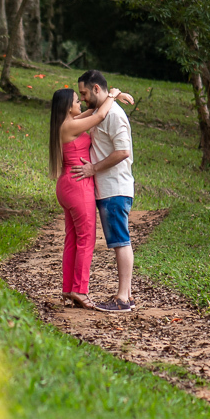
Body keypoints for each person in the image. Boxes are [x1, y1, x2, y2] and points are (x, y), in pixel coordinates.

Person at [48, 85, 130, 310]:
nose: (80, 103)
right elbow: (101, 114)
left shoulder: (65, 124)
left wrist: (115, 97)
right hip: (78, 185)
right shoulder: (71, 125)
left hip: (66, 185)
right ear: (67, 106)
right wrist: (113, 94)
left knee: (73, 239)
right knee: (86, 240)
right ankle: (80, 290)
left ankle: (69, 288)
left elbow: (94, 111)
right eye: (76, 101)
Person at [72, 70, 136, 313]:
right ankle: (126, 296)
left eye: (85, 93)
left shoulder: (115, 116)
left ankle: (122, 298)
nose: (84, 98)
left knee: (121, 241)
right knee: (119, 240)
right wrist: (115, 94)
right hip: (108, 188)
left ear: (96, 89)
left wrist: (93, 169)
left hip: (115, 188)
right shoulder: (102, 112)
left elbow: (123, 152)